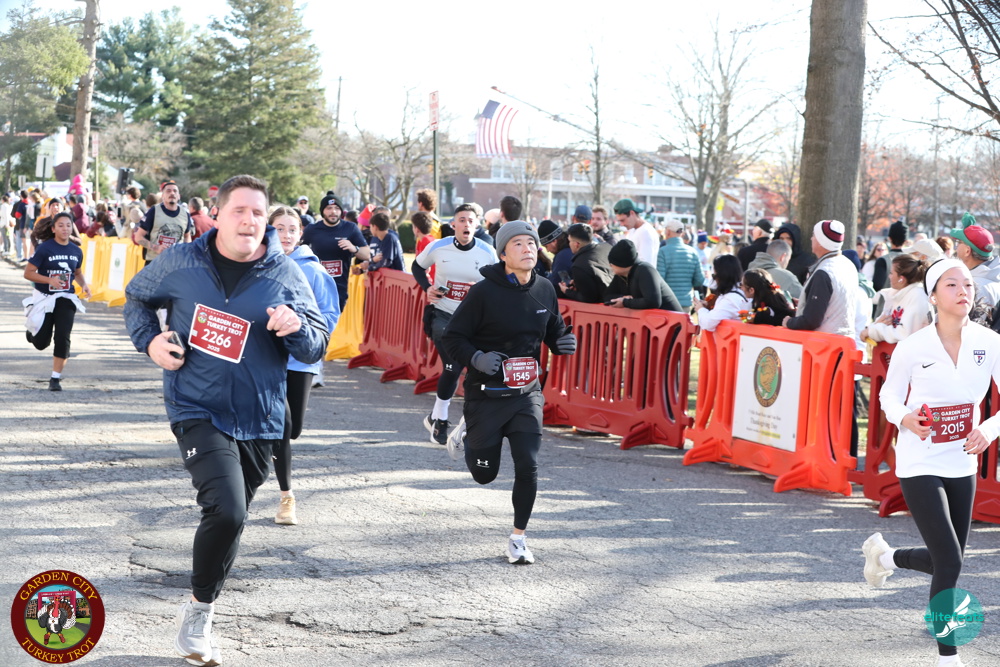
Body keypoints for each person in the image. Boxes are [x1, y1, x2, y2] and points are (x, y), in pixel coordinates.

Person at [123, 175, 329, 667]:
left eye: (258, 213)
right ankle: (198, 619)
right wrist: (150, 342)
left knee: (231, 519)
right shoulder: (182, 261)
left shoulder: (285, 273)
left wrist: (297, 329)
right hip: (196, 406)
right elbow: (136, 296)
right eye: (239, 210)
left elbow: (317, 341)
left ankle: (202, 609)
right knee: (229, 510)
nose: (249, 220)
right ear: (217, 215)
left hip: (259, 417)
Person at [864, 258, 1000, 667]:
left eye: (968, 284)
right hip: (919, 461)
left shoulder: (989, 342)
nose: (964, 291)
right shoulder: (913, 346)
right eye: (952, 284)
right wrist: (905, 418)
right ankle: (948, 657)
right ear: (934, 296)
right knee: (951, 560)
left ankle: (885, 558)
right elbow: (888, 396)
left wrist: (988, 430)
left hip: (962, 463)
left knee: (946, 559)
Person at [441, 220, 576, 565]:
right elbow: (452, 338)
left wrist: (561, 342)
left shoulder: (545, 288)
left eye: (531, 243)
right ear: (503, 254)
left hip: (526, 393)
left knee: (528, 464)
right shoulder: (483, 293)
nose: (527, 248)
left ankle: (518, 539)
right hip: (486, 393)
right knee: (484, 473)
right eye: (518, 243)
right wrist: (477, 357)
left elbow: (554, 329)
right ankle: (468, 432)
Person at [267, 206, 340, 526]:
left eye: (292, 229)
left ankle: (265, 448)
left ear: (300, 234)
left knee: (292, 428)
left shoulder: (313, 270)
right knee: (281, 427)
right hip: (264, 359)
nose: (285, 235)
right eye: (279, 228)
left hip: (300, 359)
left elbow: (328, 315)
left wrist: (302, 335)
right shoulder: (256, 264)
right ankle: (287, 497)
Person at [413, 204, 497, 444]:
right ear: (454, 224)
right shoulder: (438, 246)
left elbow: (497, 279)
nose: (466, 224)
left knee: (466, 369)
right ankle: (441, 419)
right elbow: (417, 266)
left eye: (471, 220)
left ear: (477, 225)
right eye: (462, 220)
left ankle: (438, 417)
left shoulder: (488, 252)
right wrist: (427, 287)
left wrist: (480, 290)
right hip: (443, 315)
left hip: (472, 320)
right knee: (453, 364)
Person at [22, 212, 92, 391]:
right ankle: (32, 334)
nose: (65, 229)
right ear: (53, 229)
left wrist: (84, 285)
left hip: (66, 298)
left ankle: (55, 378)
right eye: (60, 225)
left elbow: (77, 272)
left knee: (63, 336)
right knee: (41, 343)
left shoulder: (76, 251)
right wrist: (49, 280)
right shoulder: (45, 249)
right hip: (45, 297)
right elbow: (28, 273)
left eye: (68, 225)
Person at [782, 220, 858, 337]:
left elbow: (811, 320)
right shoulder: (848, 265)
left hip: (825, 342)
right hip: (844, 340)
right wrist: (806, 303)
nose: (811, 239)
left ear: (821, 242)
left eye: (814, 235)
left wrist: (789, 322)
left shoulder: (824, 272)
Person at [301, 191, 371, 312]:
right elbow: (298, 251)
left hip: (339, 290)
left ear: (341, 211)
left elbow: (367, 254)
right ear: (322, 211)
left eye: (337, 208)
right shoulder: (312, 230)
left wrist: (354, 248)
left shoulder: (350, 228)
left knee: (331, 322)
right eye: (329, 208)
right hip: (315, 289)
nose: (333, 211)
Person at [862, 254, 931, 343]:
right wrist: (874, 328)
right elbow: (883, 322)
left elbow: (904, 334)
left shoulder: (918, 297)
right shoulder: (897, 294)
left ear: (901, 279)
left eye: (891, 273)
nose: (889, 276)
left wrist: (873, 331)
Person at [604, 239, 682, 311]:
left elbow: (653, 302)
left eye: (612, 263)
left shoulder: (645, 270)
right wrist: (623, 297)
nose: (610, 266)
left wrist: (625, 302)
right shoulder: (621, 275)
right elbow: (607, 296)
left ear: (622, 264)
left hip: (672, 319)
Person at [134, 180, 195, 264]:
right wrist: (156, 248)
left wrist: (185, 252)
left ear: (179, 196)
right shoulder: (154, 211)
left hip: (176, 263)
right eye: (168, 191)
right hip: (155, 262)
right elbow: (138, 237)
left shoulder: (185, 214)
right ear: (163, 196)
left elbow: (187, 237)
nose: (172, 193)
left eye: (175, 191)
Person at [656, 219, 705, 311]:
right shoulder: (693, 252)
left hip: (667, 303)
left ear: (668, 232)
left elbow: (659, 279)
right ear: (682, 233)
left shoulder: (662, 252)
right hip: (686, 302)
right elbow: (699, 280)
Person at [558, 223, 613, 303]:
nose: (569, 244)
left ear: (576, 244)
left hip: (607, 305)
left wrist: (567, 291)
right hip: (622, 296)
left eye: (569, 241)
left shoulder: (579, 266)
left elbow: (588, 298)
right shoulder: (607, 247)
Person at [693, 254, 750, 332]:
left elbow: (708, 323)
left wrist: (700, 309)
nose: (714, 280)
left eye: (714, 276)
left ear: (722, 276)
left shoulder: (730, 299)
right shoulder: (741, 291)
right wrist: (708, 306)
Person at [614, 198, 659, 266]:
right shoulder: (634, 230)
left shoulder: (645, 232)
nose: (621, 224)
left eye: (623, 220)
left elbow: (645, 265)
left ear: (632, 213)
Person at [872, 220, 908, 291]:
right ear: (905, 241)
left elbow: (877, 286)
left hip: (885, 297)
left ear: (889, 238)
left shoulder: (883, 260)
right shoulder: (913, 261)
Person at [538, 220, 573, 287]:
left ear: (554, 241)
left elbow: (558, 285)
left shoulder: (562, 257)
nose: (547, 250)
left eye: (546, 246)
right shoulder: (570, 250)